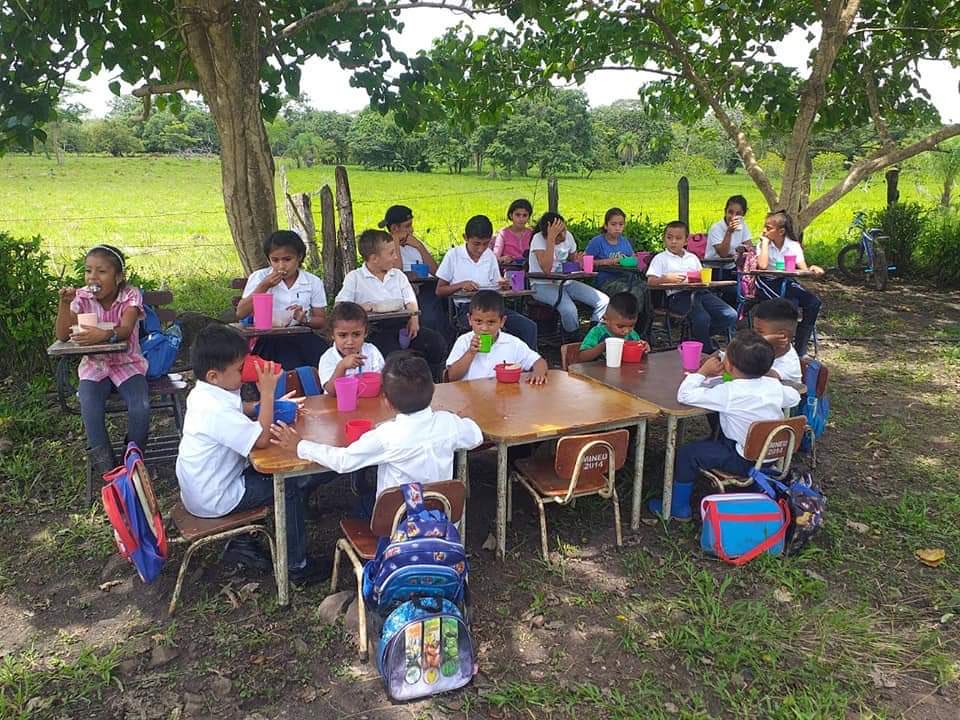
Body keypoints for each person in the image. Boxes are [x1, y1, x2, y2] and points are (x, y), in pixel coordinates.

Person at [176, 324, 330, 583]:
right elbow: (261, 440)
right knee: (287, 485)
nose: (244, 372)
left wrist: (263, 406)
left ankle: (242, 542)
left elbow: (239, 408)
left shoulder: (204, 393)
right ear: (214, 375)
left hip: (202, 487)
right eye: (239, 369)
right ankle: (296, 565)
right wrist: (267, 394)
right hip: (216, 497)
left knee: (275, 476)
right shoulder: (215, 410)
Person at [270, 352, 483, 499]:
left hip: (398, 530)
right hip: (443, 523)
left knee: (365, 504)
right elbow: (476, 436)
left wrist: (300, 445)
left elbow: (343, 461)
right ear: (433, 391)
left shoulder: (385, 436)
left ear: (387, 401)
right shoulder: (449, 424)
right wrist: (457, 418)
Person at [647, 329, 802, 521]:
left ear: (729, 365)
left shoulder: (729, 392)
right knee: (716, 440)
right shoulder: (774, 387)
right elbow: (794, 397)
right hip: (771, 455)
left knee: (687, 454)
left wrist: (702, 373)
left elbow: (684, 395)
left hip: (741, 459)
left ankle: (677, 508)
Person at [54, 244, 151, 478]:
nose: (93, 277)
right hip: (94, 366)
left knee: (141, 406)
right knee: (90, 406)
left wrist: (104, 334)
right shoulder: (82, 297)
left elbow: (126, 329)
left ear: (118, 277)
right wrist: (65, 304)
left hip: (127, 364)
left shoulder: (130, 295)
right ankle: (107, 468)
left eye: (102, 271)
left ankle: (132, 460)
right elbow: (62, 335)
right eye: (88, 271)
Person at [336, 229, 448, 380]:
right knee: (394, 356)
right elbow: (340, 306)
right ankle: (398, 386)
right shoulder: (355, 278)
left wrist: (414, 318)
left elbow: (410, 300)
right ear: (374, 258)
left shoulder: (398, 275)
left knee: (435, 342)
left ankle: (434, 382)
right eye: (391, 253)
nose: (396, 257)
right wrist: (363, 307)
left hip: (403, 325)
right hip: (374, 329)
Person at [436, 214, 538, 350]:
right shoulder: (453, 255)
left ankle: (528, 361)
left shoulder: (489, 255)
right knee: (490, 330)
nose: (481, 249)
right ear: (465, 238)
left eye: (485, 244)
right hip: (468, 308)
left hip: (493, 306)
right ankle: (487, 360)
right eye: (476, 244)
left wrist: (504, 285)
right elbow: (440, 290)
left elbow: (496, 284)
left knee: (528, 326)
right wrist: (461, 285)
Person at [237, 230, 329, 369]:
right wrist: (264, 286)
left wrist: (304, 319)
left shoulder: (312, 281)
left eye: (287, 259)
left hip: (300, 334)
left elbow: (321, 321)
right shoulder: (259, 277)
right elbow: (241, 313)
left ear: (299, 257)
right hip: (267, 338)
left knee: (323, 358)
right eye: (275, 260)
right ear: (268, 260)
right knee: (286, 357)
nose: (281, 266)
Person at [647, 220, 737, 352]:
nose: (673, 242)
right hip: (678, 296)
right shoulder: (661, 258)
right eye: (669, 238)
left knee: (730, 315)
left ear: (685, 241)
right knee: (702, 318)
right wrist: (666, 279)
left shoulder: (692, 258)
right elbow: (650, 281)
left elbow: (702, 276)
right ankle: (706, 349)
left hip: (701, 292)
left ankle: (697, 337)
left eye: (678, 238)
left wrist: (700, 278)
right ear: (664, 239)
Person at [756, 210, 825, 357]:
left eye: (768, 228)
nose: (764, 230)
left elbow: (803, 269)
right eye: (764, 226)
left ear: (781, 231)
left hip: (787, 281)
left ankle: (800, 349)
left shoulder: (793, 245)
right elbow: (762, 266)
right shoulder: (763, 244)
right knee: (789, 306)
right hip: (767, 281)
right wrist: (765, 244)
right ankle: (783, 348)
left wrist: (813, 270)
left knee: (813, 303)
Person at [529, 212, 609, 336]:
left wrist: (579, 262)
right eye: (558, 233)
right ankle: (572, 338)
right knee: (569, 309)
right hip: (542, 285)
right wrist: (551, 240)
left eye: (564, 230)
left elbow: (572, 261)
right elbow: (547, 269)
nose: (563, 235)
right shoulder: (538, 239)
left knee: (603, 301)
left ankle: (593, 334)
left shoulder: (569, 237)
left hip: (566, 282)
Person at [445, 290, 548, 383]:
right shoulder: (464, 341)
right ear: (470, 320)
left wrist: (538, 372)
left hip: (502, 395)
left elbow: (538, 361)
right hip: (469, 395)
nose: (484, 328)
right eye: (478, 321)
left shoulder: (512, 343)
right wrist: (470, 353)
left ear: (502, 321)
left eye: (491, 322)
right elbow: (451, 376)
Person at [379, 205, 448, 336]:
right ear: (394, 228)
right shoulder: (385, 248)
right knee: (427, 317)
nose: (411, 230)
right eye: (407, 226)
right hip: (403, 290)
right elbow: (396, 270)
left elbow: (436, 272)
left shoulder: (413, 244)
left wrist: (419, 246)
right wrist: (395, 241)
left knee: (436, 314)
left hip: (426, 287)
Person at [584, 207, 648, 333]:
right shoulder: (598, 242)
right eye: (613, 224)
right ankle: (628, 326)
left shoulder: (624, 242)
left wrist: (632, 260)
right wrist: (609, 262)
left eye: (621, 224)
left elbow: (632, 258)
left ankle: (643, 326)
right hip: (607, 281)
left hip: (627, 278)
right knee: (632, 293)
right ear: (606, 225)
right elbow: (587, 262)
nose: (617, 228)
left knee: (646, 288)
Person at [317, 302, 386, 394]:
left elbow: (382, 383)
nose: (350, 342)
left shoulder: (372, 352)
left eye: (356, 334)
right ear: (332, 334)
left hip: (368, 401)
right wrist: (342, 367)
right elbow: (331, 391)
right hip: (337, 403)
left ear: (365, 333)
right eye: (343, 335)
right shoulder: (328, 358)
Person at [578, 292, 649, 363]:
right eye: (620, 326)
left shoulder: (633, 335)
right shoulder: (597, 333)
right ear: (605, 319)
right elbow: (582, 357)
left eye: (631, 326)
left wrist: (644, 350)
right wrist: (603, 346)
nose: (626, 331)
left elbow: (641, 360)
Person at [706, 195, 751, 305]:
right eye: (730, 212)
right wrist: (729, 232)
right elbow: (723, 253)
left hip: (733, 268)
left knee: (749, 289)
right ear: (725, 211)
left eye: (738, 214)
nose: (733, 217)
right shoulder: (716, 228)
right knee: (736, 291)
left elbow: (749, 247)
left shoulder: (743, 226)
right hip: (716, 269)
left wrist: (743, 249)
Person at [752, 298, 802, 383]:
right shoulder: (762, 350)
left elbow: (744, 373)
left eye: (760, 332)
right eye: (754, 329)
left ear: (782, 336)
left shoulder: (787, 366)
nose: (754, 335)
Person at [493, 198, 534, 266]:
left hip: (529, 269)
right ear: (511, 215)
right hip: (510, 268)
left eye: (525, 215)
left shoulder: (531, 234)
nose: (521, 219)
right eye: (517, 215)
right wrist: (502, 259)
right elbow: (495, 257)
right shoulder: (503, 234)